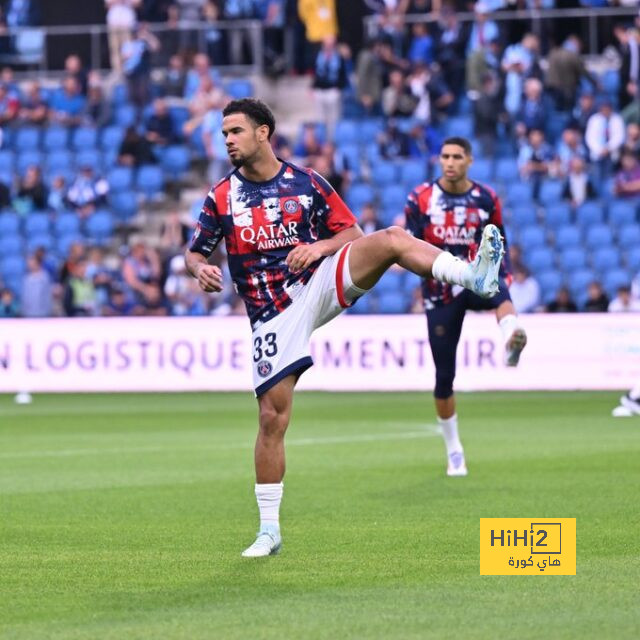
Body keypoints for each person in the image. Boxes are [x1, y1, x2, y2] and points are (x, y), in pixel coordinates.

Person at [184, 99, 506, 558]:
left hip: (315, 282)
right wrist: (198, 268)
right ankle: (269, 530)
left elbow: (352, 234)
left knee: (392, 238)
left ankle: (470, 275)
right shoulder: (221, 196)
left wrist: (317, 249)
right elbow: (194, 251)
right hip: (273, 312)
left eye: (236, 131)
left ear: (263, 133)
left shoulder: (307, 183)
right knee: (272, 419)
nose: (228, 140)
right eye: (224, 134)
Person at [404, 136, 527, 480]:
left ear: (469, 160)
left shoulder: (486, 197)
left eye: (457, 156)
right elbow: (411, 248)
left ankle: (512, 336)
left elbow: (499, 238)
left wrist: (504, 274)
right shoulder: (421, 198)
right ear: (438, 159)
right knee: (445, 378)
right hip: (440, 290)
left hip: (476, 278)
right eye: (445, 156)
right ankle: (454, 449)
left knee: (499, 292)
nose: (450, 162)